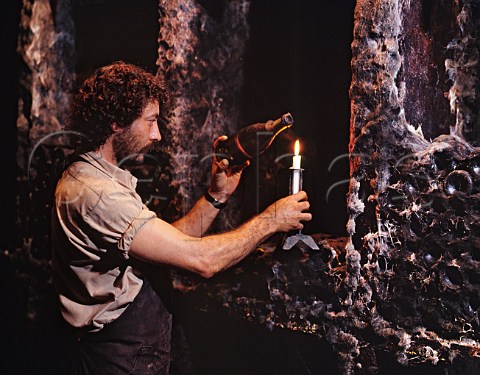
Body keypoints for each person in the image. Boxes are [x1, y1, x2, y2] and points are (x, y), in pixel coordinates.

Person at [51, 61, 312, 374]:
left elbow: (170, 244)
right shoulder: (98, 194)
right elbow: (201, 260)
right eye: (150, 122)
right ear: (117, 122)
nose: (157, 134)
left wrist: (216, 197)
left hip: (125, 351)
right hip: (117, 357)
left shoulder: (96, 177)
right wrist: (272, 219)